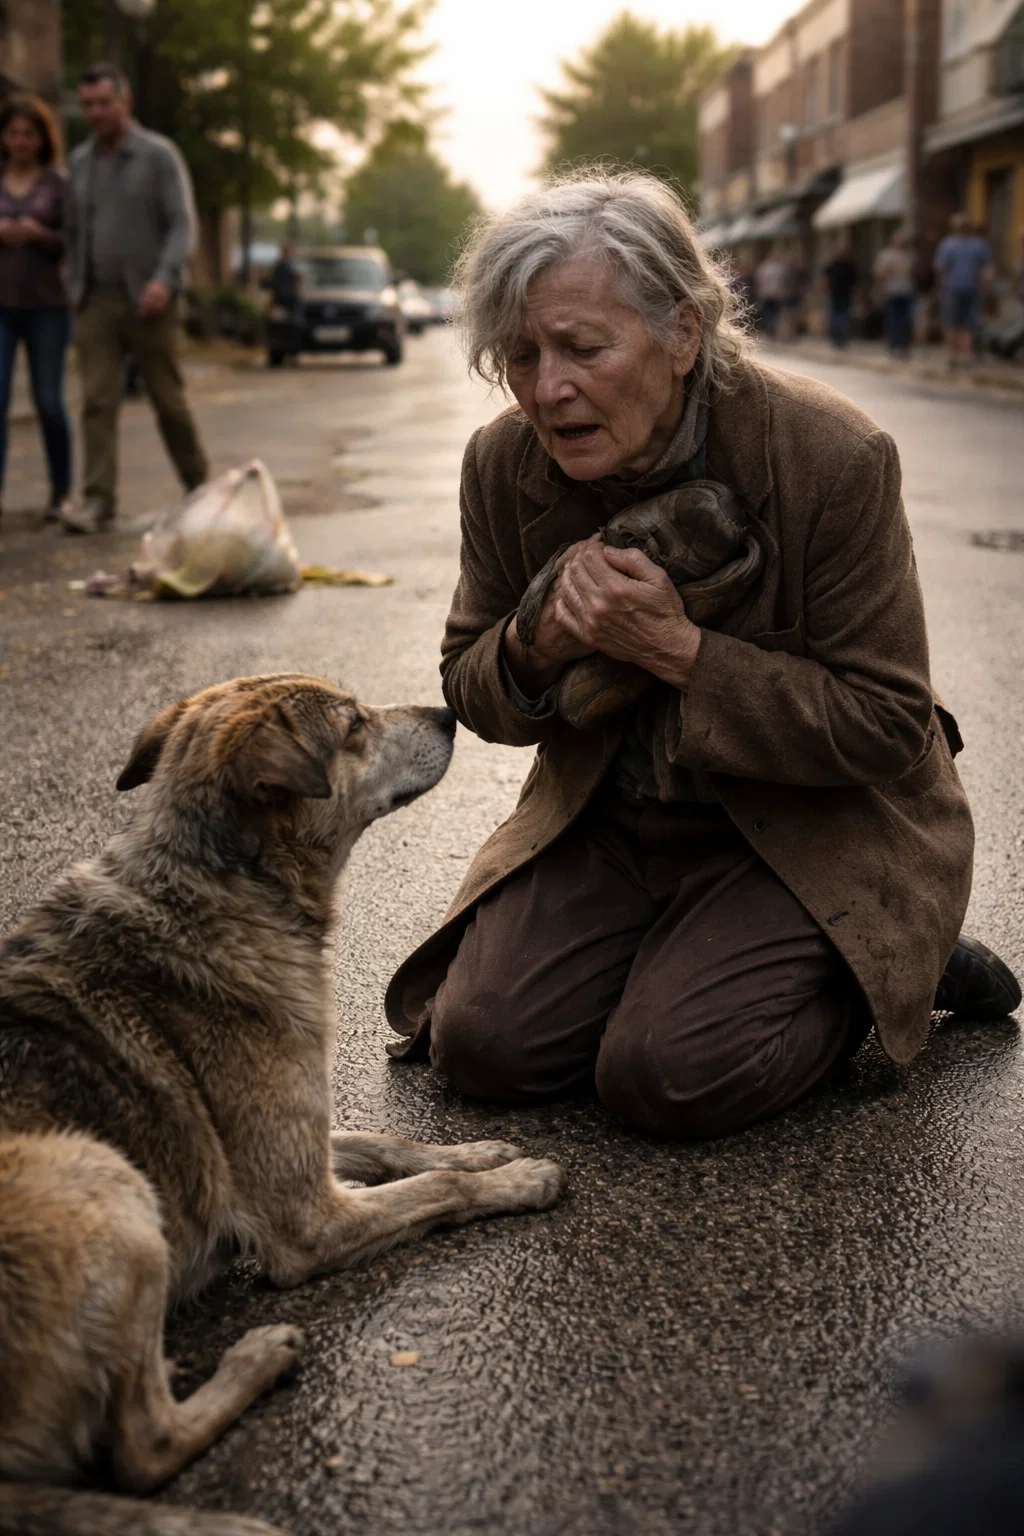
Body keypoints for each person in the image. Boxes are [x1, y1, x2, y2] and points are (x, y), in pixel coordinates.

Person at [384, 171, 1020, 1140]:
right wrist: (534, 638)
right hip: (612, 823)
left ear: (683, 333)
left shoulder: (832, 456)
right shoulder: (502, 463)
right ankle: (680, 961)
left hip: (809, 825)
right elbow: (472, 685)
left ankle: (884, 961)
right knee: (482, 1047)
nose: (547, 388)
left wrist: (680, 652)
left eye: (582, 348)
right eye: (520, 354)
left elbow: (890, 723)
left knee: (664, 1075)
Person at [63, 62, 209, 534]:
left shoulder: (158, 156)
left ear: (125, 102)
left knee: (168, 401)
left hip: (152, 302)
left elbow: (183, 224)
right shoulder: (80, 162)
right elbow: (72, 231)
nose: (96, 113)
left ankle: (199, 488)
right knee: (96, 401)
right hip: (96, 301)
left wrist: (165, 279)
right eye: (87, 105)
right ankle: (97, 501)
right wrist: (73, 283)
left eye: (104, 103)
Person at [0, 94, 72, 525]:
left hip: (48, 306)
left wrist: (39, 234)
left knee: (48, 402)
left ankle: (61, 491)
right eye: (13, 133)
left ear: (43, 138)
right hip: (2, 308)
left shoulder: (58, 184)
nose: (21, 141)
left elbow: (74, 240)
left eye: (29, 133)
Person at [934, 212, 991, 370]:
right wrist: (985, 285)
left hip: (955, 288)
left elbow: (941, 268)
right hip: (967, 288)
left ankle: (955, 355)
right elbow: (986, 269)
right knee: (965, 323)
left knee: (954, 322)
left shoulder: (948, 244)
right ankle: (961, 355)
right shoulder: (978, 244)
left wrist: (939, 287)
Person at [874, 228, 916, 359]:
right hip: (891, 291)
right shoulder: (886, 255)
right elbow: (880, 273)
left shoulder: (909, 255)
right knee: (892, 320)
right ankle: (893, 345)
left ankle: (904, 346)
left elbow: (913, 272)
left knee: (906, 321)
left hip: (906, 291)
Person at [822, 243, 859, 348]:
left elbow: (855, 280)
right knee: (835, 316)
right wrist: (825, 289)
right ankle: (836, 338)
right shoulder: (832, 265)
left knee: (844, 316)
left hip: (846, 294)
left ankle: (843, 338)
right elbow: (825, 278)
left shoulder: (850, 265)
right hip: (834, 293)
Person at [754, 246, 787, 338]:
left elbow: (782, 281)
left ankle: (772, 329)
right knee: (767, 313)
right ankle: (768, 329)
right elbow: (759, 281)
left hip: (774, 294)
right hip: (767, 294)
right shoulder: (764, 267)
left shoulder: (779, 267)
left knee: (774, 313)